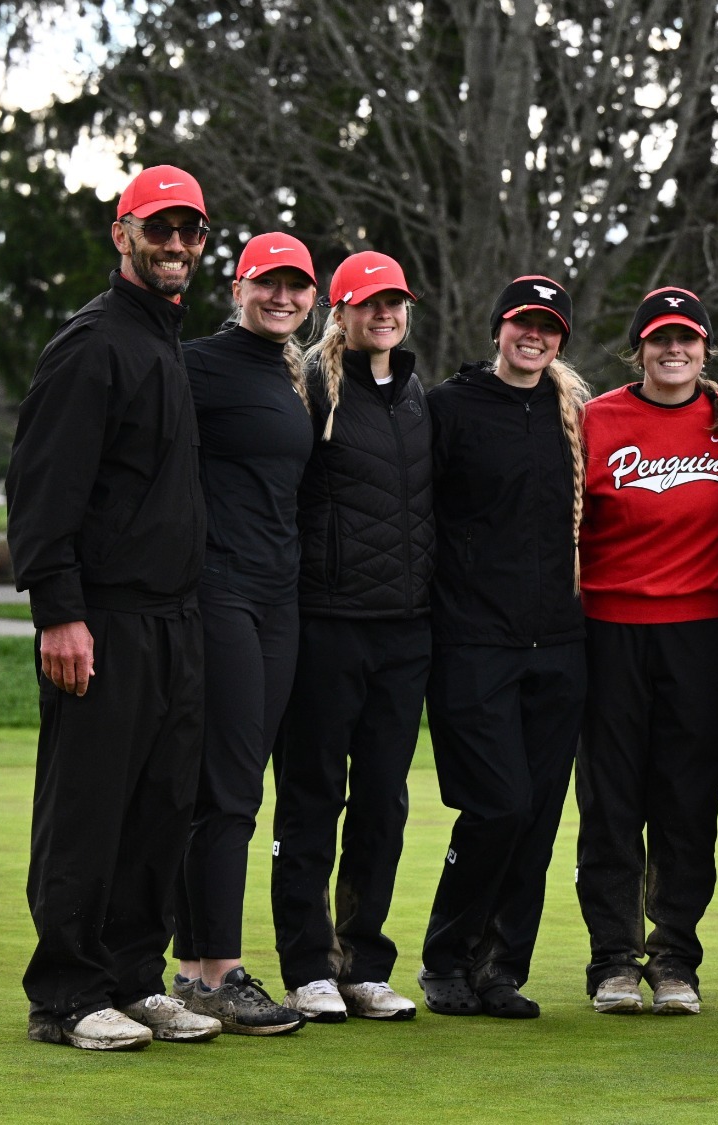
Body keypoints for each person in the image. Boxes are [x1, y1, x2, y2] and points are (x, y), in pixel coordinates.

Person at [9, 164, 222, 1049]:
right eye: (159, 228)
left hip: (176, 619)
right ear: (122, 232)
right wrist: (60, 610)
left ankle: (134, 977)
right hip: (103, 618)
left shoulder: (164, 340)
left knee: (161, 807)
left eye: (190, 231)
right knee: (89, 806)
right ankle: (65, 992)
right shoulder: (92, 343)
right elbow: (43, 486)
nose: (176, 244)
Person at [415, 276, 590, 1019]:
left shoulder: (572, 414)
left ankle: (501, 968)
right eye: (523, 322)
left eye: (548, 327)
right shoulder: (448, 408)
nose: (534, 336)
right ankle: (444, 958)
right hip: (473, 642)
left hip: (559, 645)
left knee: (539, 816)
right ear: (498, 328)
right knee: (498, 805)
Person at [272, 251, 433, 1024]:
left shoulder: (415, 394)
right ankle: (308, 964)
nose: (385, 314)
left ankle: (364, 960)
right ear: (339, 310)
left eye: (395, 302)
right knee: (310, 798)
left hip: (403, 632)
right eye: (369, 302)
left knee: (382, 802)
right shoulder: (307, 385)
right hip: (325, 624)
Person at [575, 287, 718, 1016]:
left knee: (686, 803)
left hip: (702, 633)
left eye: (687, 338)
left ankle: (675, 954)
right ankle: (613, 957)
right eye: (659, 338)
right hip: (609, 630)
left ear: (705, 347)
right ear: (638, 347)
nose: (673, 350)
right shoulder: (597, 418)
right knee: (610, 803)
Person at [169, 233, 320, 1036]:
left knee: (230, 784)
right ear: (239, 286)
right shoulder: (198, 363)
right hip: (219, 590)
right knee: (228, 786)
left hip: (278, 597)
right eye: (270, 284)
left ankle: (192, 968)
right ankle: (221, 970)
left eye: (298, 287)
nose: (284, 297)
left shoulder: (291, 375)